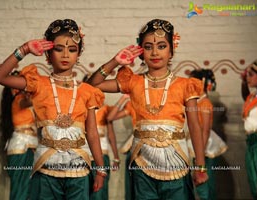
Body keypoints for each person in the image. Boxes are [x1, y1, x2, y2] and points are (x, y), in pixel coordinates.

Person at [87, 18, 208, 199]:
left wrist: (200, 166)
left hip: (176, 160)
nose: (155, 52)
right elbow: (92, 85)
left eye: (161, 46)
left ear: (172, 49)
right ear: (141, 51)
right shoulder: (133, 81)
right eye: (148, 46)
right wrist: (115, 61)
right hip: (142, 162)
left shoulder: (185, 85)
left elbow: (194, 126)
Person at [0, 19, 106, 200]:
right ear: (48, 54)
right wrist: (24, 49)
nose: (65, 55)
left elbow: (92, 133)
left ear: (78, 54)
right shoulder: (39, 84)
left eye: (72, 49)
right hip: (46, 167)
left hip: (78, 168)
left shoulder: (87, 91)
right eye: (58, 49)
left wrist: (100, 169)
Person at [189, 69, 228, 200]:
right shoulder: (197, 102)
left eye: (193, 82)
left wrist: (201, 151)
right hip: (198, 142)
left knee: (205, 180)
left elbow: (205, 130)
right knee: (200, 181)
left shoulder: (205, 103)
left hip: (205, 144)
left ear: (202, 83)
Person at [0, 70, 38, 200]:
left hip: (28, 147)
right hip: (21, 147)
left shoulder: (21, 99)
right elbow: (33, 101)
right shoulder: (18, 100)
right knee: (21, 187)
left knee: (27, 187)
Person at [83, 102, 120, 200]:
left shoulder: (105, 109)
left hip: (102, 155)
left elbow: (111, 134)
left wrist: (116, 157)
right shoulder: (80, 107)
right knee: (83, 192)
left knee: (99, 192)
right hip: (83, 156)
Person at [106, 94, 136, 200]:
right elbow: (110, 117)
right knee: (135, 188)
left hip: (161, 148)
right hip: (138, 150)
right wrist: (122, 99)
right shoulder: (133, 104)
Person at [242, 60, 257, 199]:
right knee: (254, 182)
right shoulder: (252, 96)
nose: (248, 77)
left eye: (251, 74)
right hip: (251, 142)